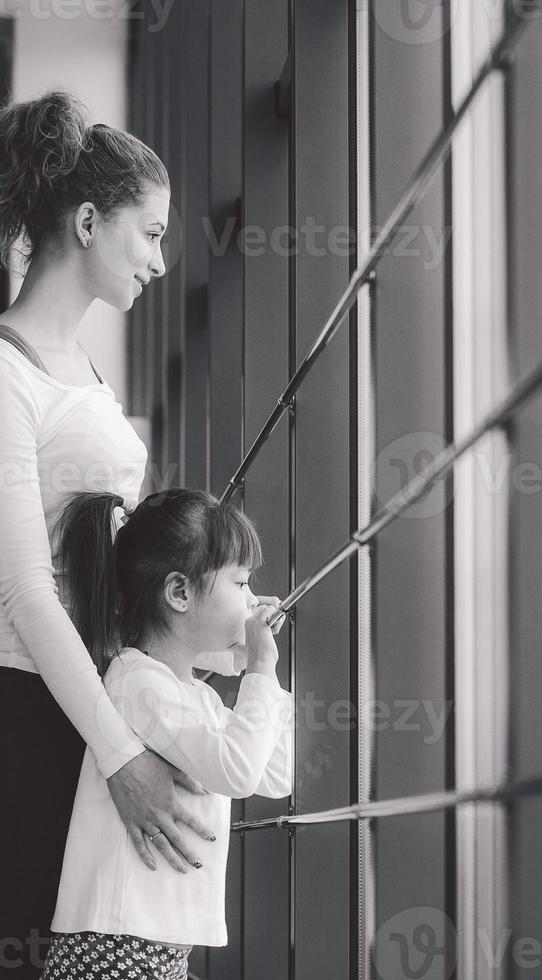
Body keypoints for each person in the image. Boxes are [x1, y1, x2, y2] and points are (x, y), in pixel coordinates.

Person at [0, 88, 285, 977]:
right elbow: (24, 590)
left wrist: (205, 631)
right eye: (152, 232)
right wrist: (123, 754)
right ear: (88, 221)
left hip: (84, 703)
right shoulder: (8, 374)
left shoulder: (77, 368)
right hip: (33, 711)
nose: (162, 260)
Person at [38, 488, 292, 979]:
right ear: (179, 593)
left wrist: (266, 675)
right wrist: (259, 664)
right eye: (240, 583)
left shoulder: (195, 694)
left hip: (155, 945)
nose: (250, 598)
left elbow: (274, 776)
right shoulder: (139, 683)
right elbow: (238, 774)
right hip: (115, 945)